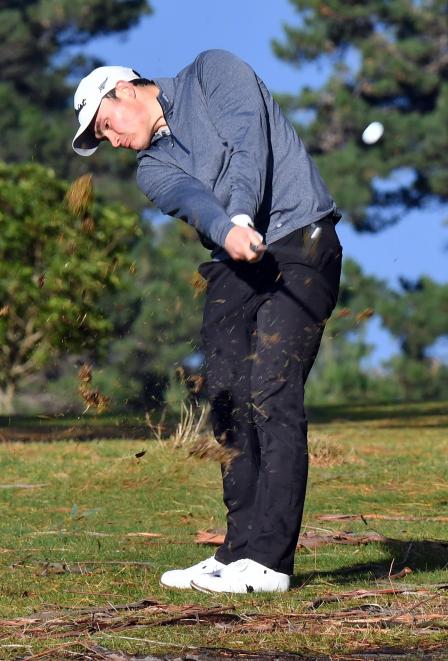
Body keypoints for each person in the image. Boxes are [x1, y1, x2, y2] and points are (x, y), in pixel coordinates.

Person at [72, 49, 342, 594]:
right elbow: (193, 198)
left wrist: (240, 216)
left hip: (301, 243)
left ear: (126, 90)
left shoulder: (212, 72)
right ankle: (238, 549)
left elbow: (249, 145)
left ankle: (270, 561)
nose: (113, 141)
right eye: (101, 139)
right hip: (232, 258)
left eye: (106, 125)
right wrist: (227, 229)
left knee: (272, 389)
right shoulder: (152, 168)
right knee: (223, 393)